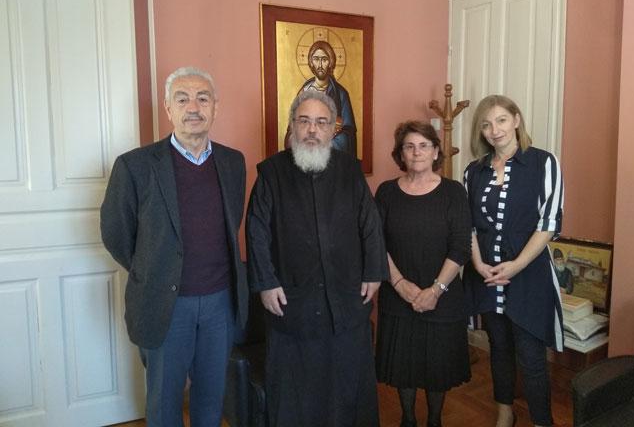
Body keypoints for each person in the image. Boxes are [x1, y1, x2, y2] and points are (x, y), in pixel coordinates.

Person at [100, 66, 248, 427]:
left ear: (215, 107)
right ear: (168, 109)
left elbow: (232, 223)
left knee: (211, 401)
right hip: (165, 304)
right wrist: (155, 267)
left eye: (202, 98)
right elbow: (116, 233)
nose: (193, 107)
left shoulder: (233, 162)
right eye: (182, 99)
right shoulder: (134, 166)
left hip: (220, 303)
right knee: (164, 404)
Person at [246, 90, 387, 427]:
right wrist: (265, 283)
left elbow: (370, 224)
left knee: (346, 385)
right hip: (292, 300)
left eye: (321, 122)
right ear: (292, 126)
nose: (312, 129)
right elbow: (257, 232)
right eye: (304, 121)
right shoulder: (271, 173)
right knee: (296, 393)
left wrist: (373, 272)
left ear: (333, 129)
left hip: (345, 296)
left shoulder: (350, 170)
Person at [463, 94, 564, 427]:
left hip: (528, 275)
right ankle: (505, 412)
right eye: (486, 124)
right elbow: (467, 225)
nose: (495, 130)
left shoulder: (543, 163)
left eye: (502, 120)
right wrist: (478, 264)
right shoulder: (473, 172)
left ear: (516, 120)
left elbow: (549, 223)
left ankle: (542, 421)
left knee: (531, 356)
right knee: (499, 348)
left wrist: (517, 265)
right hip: (486, 275)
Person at [375, 121, 472, 427]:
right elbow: (376, 243)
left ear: (435, 152)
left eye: (423, 146)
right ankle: (407, 419)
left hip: (443, 297)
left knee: (437, 367)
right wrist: (399, 284)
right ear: (400, 153)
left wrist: (435, 290)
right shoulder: (386, 192)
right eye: (409, 146)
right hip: (397, 296)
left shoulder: (453, 192)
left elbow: (461, 246)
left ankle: (434, 420)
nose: (416, 152)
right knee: (403, 365)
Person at [285, 40, 357, 155]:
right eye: (316, 59)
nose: (320, 65)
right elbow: (292, 130)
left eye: (324, 59)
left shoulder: (340, 94)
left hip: (331, 155)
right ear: (311, 62)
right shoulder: (304, 92)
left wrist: (325, 144)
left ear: (330, 62)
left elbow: (348, 133)